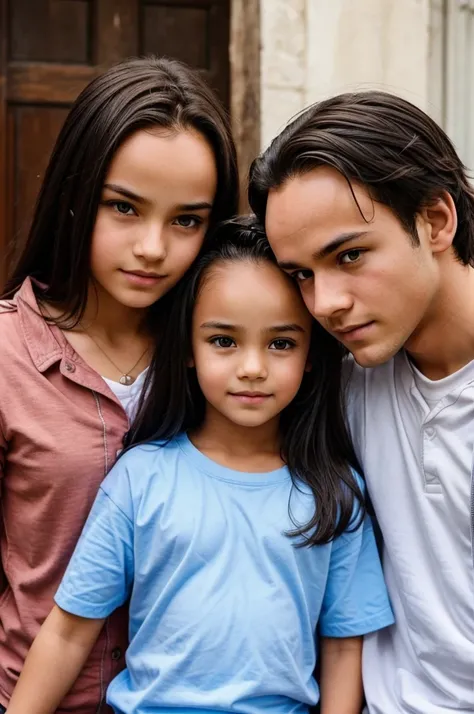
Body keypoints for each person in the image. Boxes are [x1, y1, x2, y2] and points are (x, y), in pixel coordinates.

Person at [7, 219, 393, 714]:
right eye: (224, 341)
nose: (252, 368)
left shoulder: (335, 494)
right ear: (188, 348)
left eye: (280, 343)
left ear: (312, 355)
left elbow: (342, 645)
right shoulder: (139, 478)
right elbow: (67, 632)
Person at [0, 55, 238, 713]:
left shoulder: (228, 356)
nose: (153, 248)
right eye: (124, 208)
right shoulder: (7, 356)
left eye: (186, 220)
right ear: (75, 195)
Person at [248, 90, 474, 713]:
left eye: (349, 256)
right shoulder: (340, 386)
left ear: (434, 221)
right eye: (302, 274)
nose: (324, 303)